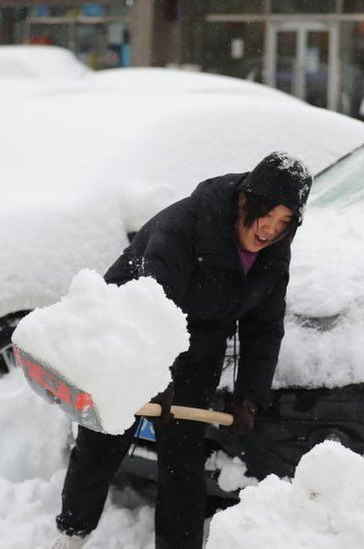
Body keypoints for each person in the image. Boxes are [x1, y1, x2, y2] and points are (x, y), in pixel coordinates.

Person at [51, 151, 312, 549]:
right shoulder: (186, 225)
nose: (269, 230)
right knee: (103, 445)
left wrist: (249, 395)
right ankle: (71, 535)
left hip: (198, 350)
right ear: (244, 200)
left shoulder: (274, 253)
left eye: (284, 222)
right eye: (266, 215)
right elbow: (153, 305)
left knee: (183, 461)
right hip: (131, 337)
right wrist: (154, 375)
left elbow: (264, 325)